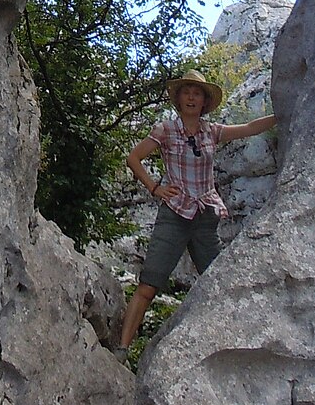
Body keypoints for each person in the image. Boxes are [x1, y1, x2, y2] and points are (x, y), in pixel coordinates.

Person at [118, 70, 276, 349]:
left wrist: (282, 114)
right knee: (149, 284)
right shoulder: (165, 130)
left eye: (197, 93)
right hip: (174, 214)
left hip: (205, 217)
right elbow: (134, 157)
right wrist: (155, 188)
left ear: (204, 101)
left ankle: (234, 342)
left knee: (221, 282)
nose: (192, 97)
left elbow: (250, 127)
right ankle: (121, 349)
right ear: (179, 98)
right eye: (187, 92)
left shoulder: (211, 131)